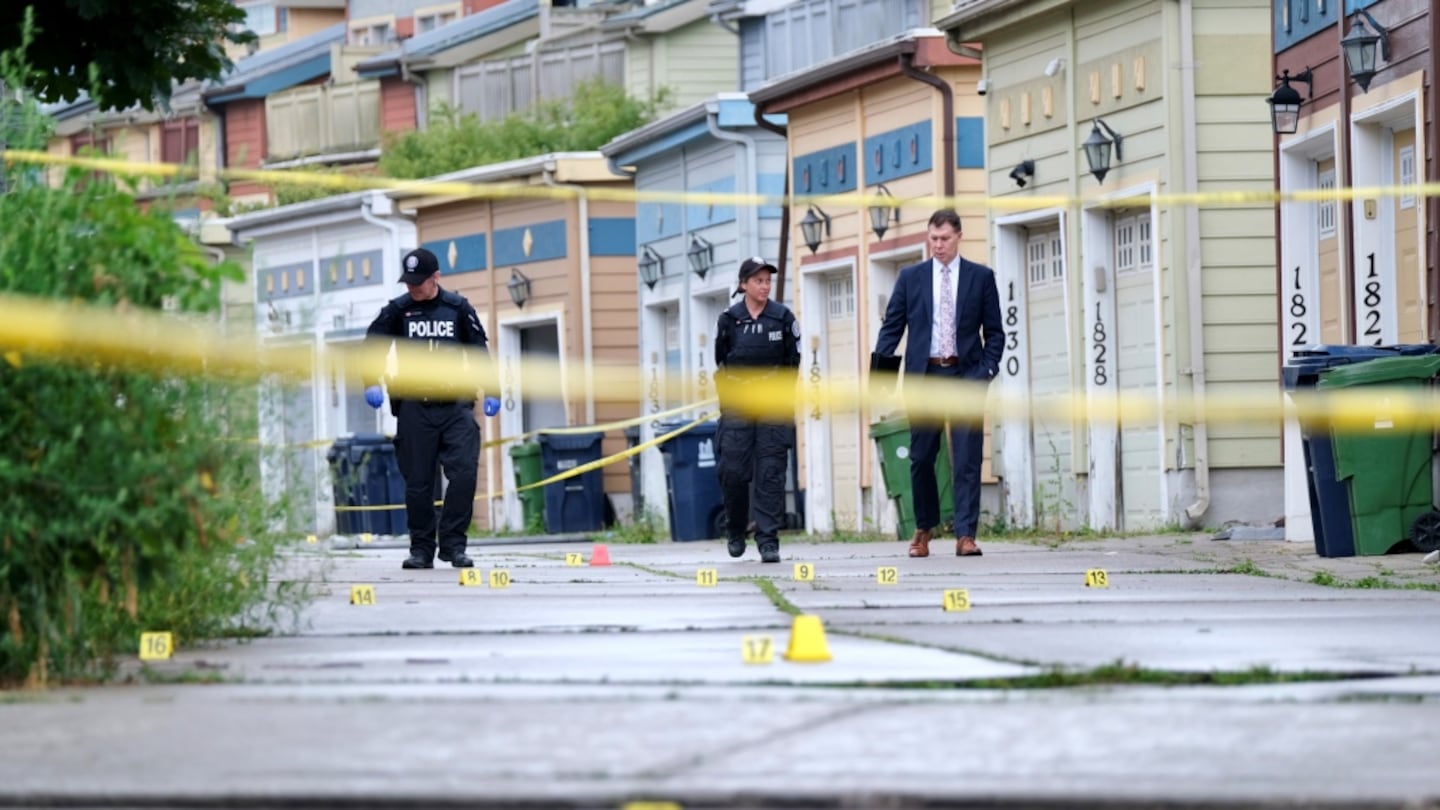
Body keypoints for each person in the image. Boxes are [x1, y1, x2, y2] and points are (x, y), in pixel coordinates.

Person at [873, 209, 1003, 558]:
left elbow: (995, 334)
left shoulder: (980, 278)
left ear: (959, 236)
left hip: (965, 377)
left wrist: (985, 373)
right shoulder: (911, 277)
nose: (938, 245)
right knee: (921, 458)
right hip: (925, 377)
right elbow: (892, 328)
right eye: (933, 238)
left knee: (967, 459)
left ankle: (966, 534)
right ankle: (924, 528)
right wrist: (881, 381)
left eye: (944, 238)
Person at [364, 247, 501, 570]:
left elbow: (479, 351)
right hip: (414, 408)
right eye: (408, 282)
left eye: (419, 282)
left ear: (436, 277)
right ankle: (421, 549)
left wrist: (492, 389)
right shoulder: (398, 311)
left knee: (465, 473)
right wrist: (371, 381)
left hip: (455, 406)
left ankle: (454, 546)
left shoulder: (457, 309)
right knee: (418, 483)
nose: (413, 288)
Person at [713, 257, 801, 563]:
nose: (764, 286)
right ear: (743, 285)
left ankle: (768, 540)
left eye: (767, 281)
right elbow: (721, 360)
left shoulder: (782, 317)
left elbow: (793, 363)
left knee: (771, 473)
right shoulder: (729, 320)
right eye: (758, 281)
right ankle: (736, 529)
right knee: (733, 472)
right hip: (738, 406)